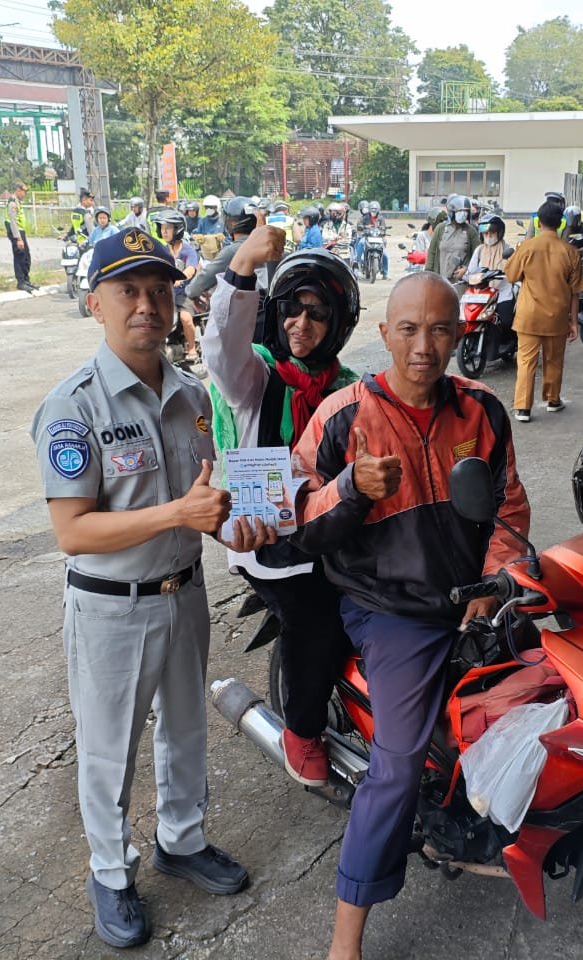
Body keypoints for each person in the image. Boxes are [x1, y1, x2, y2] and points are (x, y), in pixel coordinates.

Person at [29, 227, 266, 949]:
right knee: (109, 747)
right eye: (128, 291)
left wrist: (231, 528)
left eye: (160, 291)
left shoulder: (192, 395)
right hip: (111, 607)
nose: (147, 305)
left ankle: (182, 839)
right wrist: (178, 515)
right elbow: (73, 530)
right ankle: (110, 869)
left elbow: (200, 495)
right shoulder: (75, 407)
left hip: (183, 592)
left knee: (188, 729)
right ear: (95, 304)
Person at [289, 270, 530, 960]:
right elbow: (300, 521)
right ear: (385, 333)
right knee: (394, 767)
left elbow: (509, 506)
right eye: (409, 329)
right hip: (390, 608)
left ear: (461, 332)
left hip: (474, 596)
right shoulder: (344, 415)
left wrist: (492, 582)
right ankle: (346, 938)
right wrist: (351, 490)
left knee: (542, 695)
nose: (425, 345)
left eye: (441, 328)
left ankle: (486, 820)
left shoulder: (481, 410)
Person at [203, 227, 361, 787]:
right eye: (292, 310)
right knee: (315, 620)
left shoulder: (349, 388)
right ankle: (302, 730)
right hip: (268, 542)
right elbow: (222, 345)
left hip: (333, 532)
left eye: (317, 314)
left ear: (338, 324)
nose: (301, 324)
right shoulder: (257, 380)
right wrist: (243, 266)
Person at [504, 200, 583, 422]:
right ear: (560, 224)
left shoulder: (527, 247)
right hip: (557, 317)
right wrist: (574, 322)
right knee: (554, 359)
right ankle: (552, 399)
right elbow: (575, 292)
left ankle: (522, 408)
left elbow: (510, 276)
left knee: (526, 361)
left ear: (538, 222)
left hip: (528, 316)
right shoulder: (570, 252)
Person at [185, 195, 261, 302]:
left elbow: (200, 283)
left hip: (243, 311)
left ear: (232, 223)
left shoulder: (233, 251)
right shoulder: (268, 246)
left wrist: (188, 292)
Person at [151, 208, 201, 362]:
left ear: (177, 229)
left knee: (185, 318)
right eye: (162, 228)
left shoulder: (188, 250)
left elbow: (191, 269)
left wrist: (179, 278)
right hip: (166, 294)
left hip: (184, 293)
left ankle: (192, 348)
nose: (164, 232)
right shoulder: (163, 251)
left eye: (168, 228)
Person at [465, 214, 515, 328]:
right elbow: (471, 270)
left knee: (506, 321)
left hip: (502, 292)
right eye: (485, 233)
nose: (488, 236)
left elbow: (514, 269)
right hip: (482, 293)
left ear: (499, 232)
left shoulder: (507, 248)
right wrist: (466, 276)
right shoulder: (480, 250)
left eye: (492, 233)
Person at [426, 194, 479, 282]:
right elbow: (432, 252)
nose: (463, 214)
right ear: (452, 212)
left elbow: (477, 256)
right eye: (460, 211)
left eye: (465, 211)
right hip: (441, 280)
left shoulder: (471, 232)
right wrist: (428, 275)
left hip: (462, 282)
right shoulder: (441, 228)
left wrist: (466, 269)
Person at [5, 182, 35, 293]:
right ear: (18, 190)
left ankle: (26, 280)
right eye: (23, 191)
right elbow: (13, 221)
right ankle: (21, 282)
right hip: (15, 232)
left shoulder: (17, 202)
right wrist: (18, 238)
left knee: (26, 256)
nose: (24, 194)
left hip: (20, 231)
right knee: (19, 257)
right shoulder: (12, 203)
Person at [351, 200, 389, 279]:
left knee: (385, 254)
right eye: (372, 209)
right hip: (367, 236)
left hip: (378, 237)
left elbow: (384, 228)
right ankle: (357, 261)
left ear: (378, 210)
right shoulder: (364, 217)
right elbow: (359, 225)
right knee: (361, 243)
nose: (373, 211)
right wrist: (364, 227)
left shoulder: (381, 218)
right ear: (369, 209)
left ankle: (385, 273)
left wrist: (383, 229)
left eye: (375, 210)